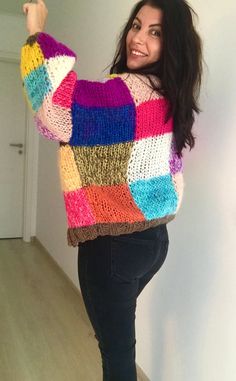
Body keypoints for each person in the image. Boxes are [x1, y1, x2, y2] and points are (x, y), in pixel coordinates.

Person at [21, 0, 203, 380]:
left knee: (117, 357)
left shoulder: (126, 92)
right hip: (154, 242)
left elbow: (56, 111)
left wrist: (37, 34)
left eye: (156, 33)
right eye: (137, 26)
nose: (138, 38)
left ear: (174, 45)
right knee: (118, 340)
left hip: (112, 248)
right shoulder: (168, 94)